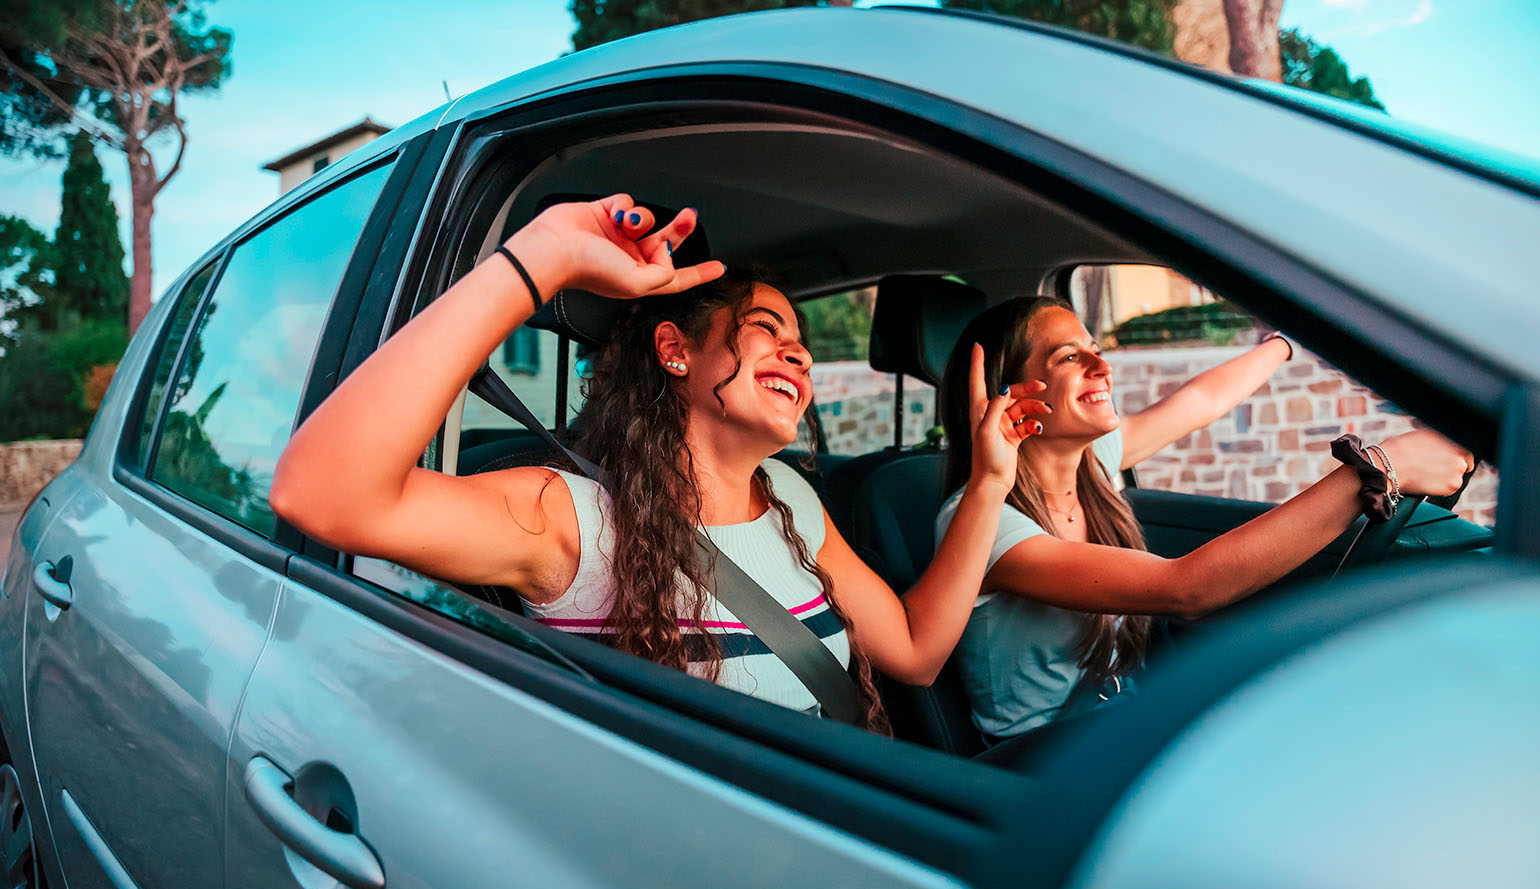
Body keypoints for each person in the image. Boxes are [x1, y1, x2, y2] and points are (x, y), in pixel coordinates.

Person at [271, 194, 1049, 730]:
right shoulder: (567, 518)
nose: (800, 351)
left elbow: (914, 655)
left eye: (801, 340)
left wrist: (987, 484)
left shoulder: (789, 498)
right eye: (765, 327)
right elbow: (322, 495)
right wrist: (540, 259)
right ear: (675, 351)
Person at [935, 296, 1474, 742]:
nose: (1103, 367)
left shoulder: (1092, 464)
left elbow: (1202, 399)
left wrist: (1289, 341)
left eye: (1096, 350)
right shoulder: (983, 520)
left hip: (1120, 726)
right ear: (1006, 396)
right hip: (1042, 765)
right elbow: (1185, 588)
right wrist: (1378, 469)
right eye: (1069, 358)